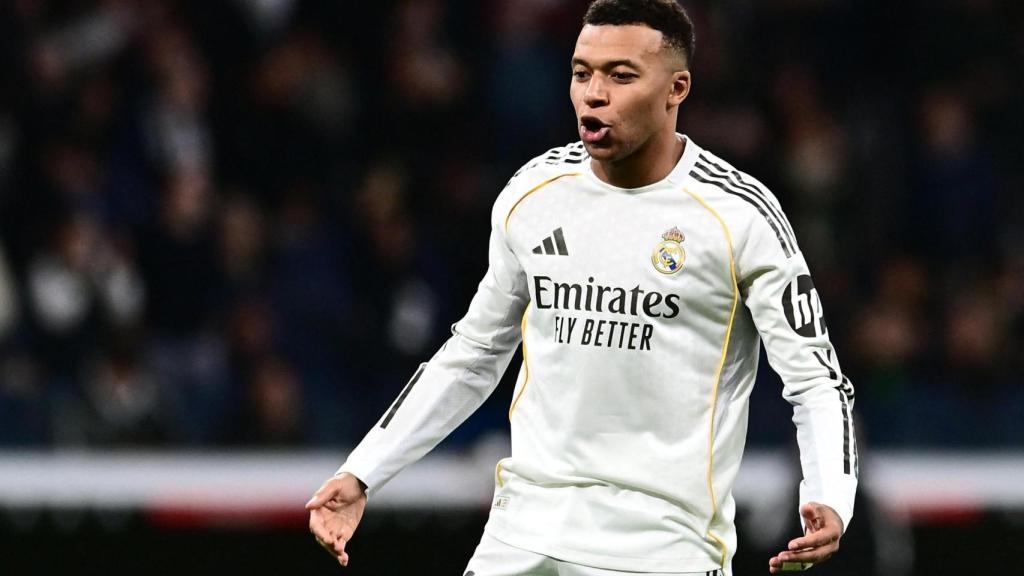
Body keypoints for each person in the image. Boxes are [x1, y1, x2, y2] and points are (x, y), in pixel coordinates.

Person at [307, 1, 857, 574]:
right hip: (523, 535)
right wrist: (363, 469)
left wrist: (831, 495)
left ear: (677, 89)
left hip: (663, 549)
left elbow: (816, 380)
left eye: (621, 76)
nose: (594, 93)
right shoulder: (534, 194)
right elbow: (472, 356)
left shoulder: (738, 216)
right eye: (581, 73)